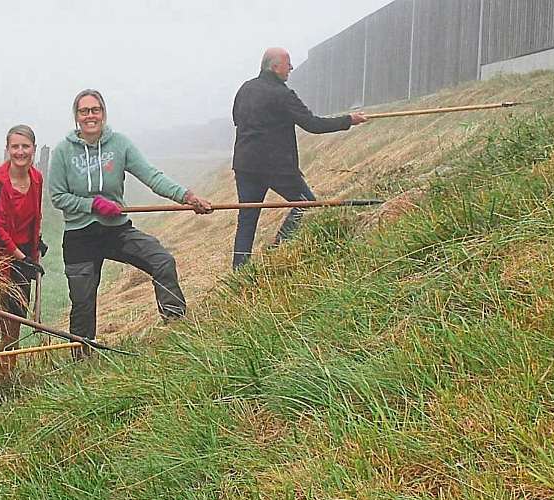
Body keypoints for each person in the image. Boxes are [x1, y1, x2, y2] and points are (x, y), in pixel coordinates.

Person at [48, 89, 212, 342]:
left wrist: (187, 196)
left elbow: (151, 175)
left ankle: (177, 330)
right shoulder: (63, 152)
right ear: (76, 117)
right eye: (84, 111)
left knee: (162, 261)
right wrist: (93, 205)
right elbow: (58, 197)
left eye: (95, 110)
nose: (90, 115)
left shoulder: (120, 144)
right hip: (79, 236)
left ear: (103, 113)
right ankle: (82, 358)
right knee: (83, 304)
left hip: (116, 230)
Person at [231, 47, 367, 269]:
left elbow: (237, 120)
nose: (291, 68)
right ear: (275, 67)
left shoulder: (244, 89)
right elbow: (313, 124)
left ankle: (239, 269)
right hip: (277, 167)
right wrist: (348, 120)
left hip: (245, 165)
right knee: (306, 204)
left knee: (247, 217)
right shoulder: (282, 94)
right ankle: (277, 250)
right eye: (288, 64)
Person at [0, 124, 45, 399]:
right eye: (15, 146)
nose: (20, 152)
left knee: (14, 320)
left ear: (34, 149)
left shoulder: (36, 179)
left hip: (23, 257)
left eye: (26, 146)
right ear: (7, 149)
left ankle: (5, 381)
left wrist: (35, 245)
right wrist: (21, 256)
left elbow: (34, 216)